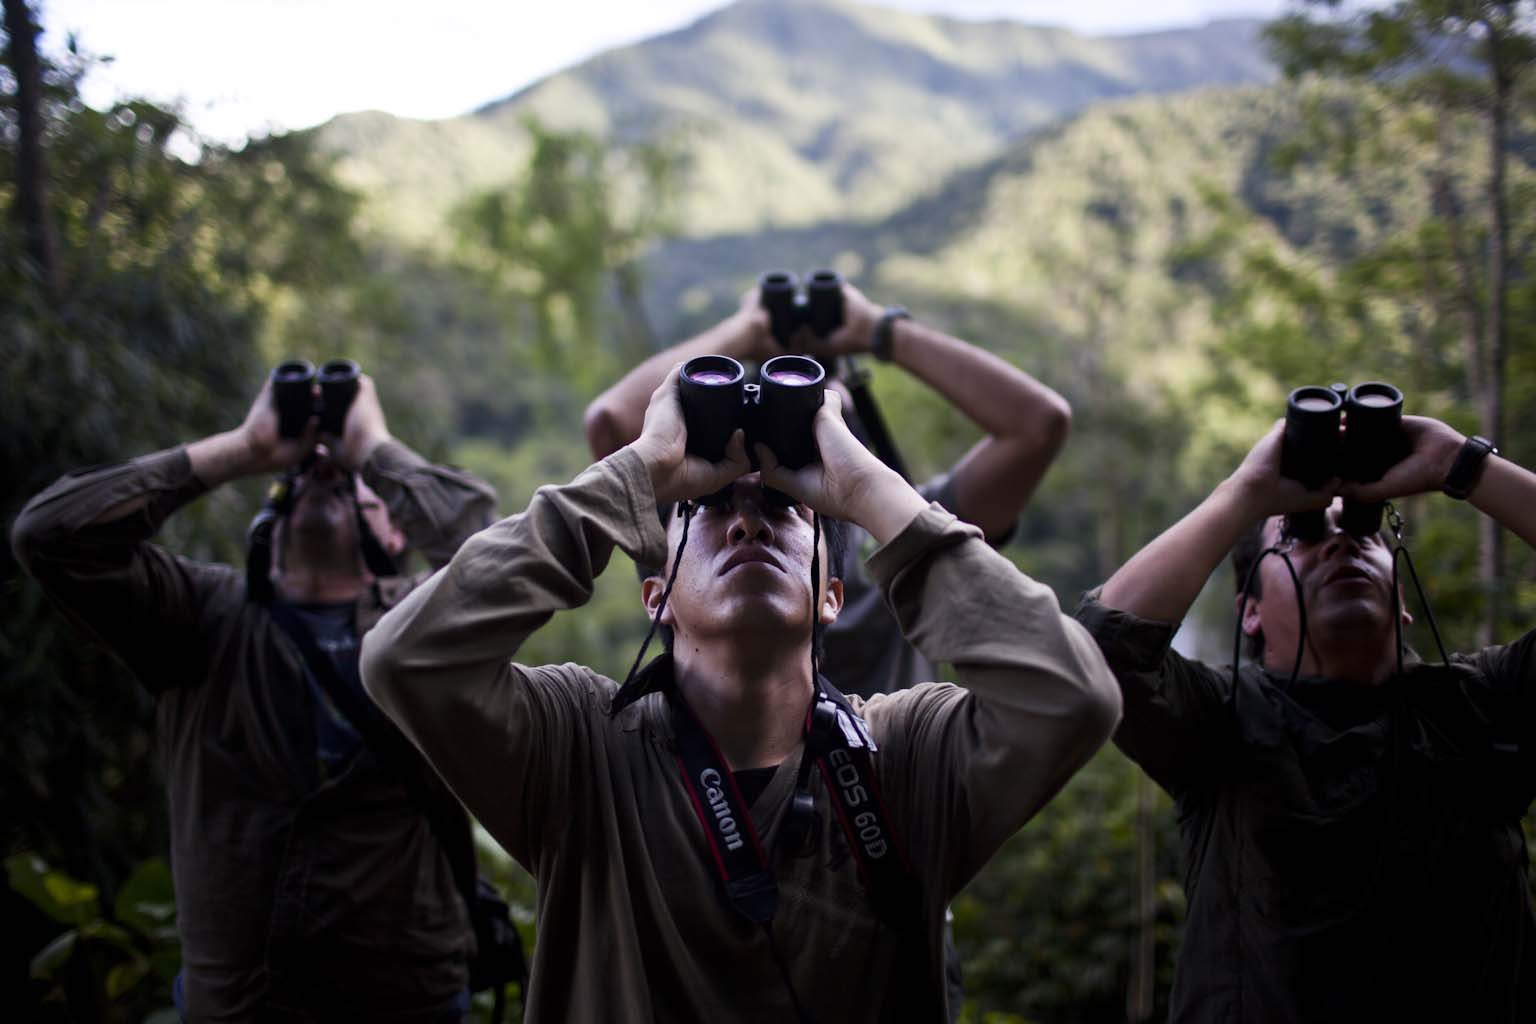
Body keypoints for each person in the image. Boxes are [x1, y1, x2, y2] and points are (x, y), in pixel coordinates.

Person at [360, 369, 1120, 1022]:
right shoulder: (581, 744)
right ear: (655, 597)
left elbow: (1074, 695)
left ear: (832, 596)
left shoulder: (904, 755)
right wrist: (641, 471)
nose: (749, 522)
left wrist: (867, 489)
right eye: (712, 509)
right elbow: (408, 659)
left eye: (785, 511)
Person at [12, 372, 499, 1021]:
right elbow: (48, 534)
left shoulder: (420, 618)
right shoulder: (199, 616)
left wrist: (373, 446)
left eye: (349, 481)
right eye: (296, 476)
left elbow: (496, 553)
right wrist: (243, 449)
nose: (321, 474)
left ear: (395, 537)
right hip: (244, 1004)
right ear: (264, 524)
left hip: (407, 1001)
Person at [1073, 414, 1536, 1022]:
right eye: (1301, 536)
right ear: (1251, 613)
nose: (1341, 541)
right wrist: (1248, 492)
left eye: (1365, 532)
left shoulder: (1481, 705)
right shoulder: (1220, 723)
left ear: (1402, 603)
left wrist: (1464, 464)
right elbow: (1101, 649)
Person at [582, 279, 1071, 697]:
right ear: (659, 595)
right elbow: (610, 426)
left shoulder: (904, 526)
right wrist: (755, 334)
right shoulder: (695, 534)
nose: (749, 524)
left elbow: (1040, 425)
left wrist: (874, 332)